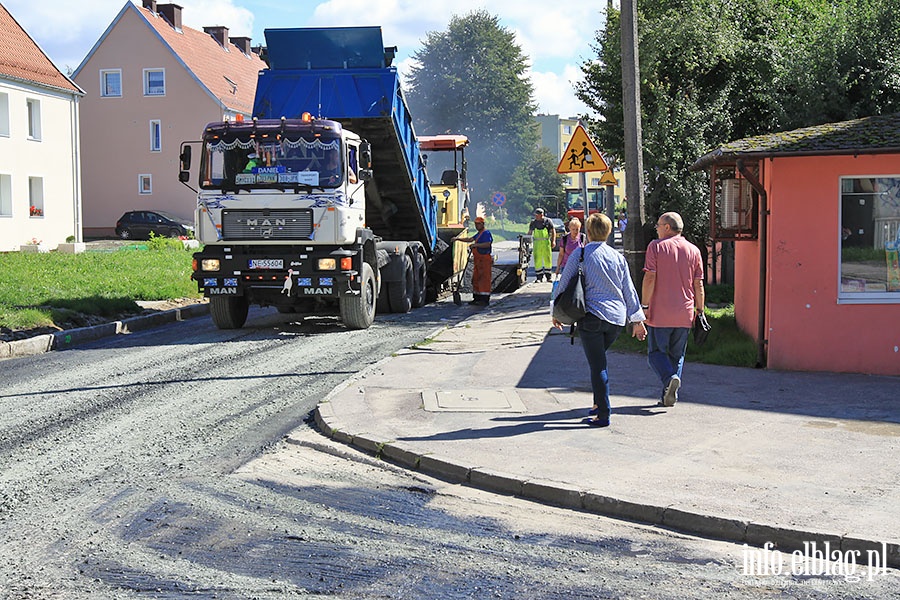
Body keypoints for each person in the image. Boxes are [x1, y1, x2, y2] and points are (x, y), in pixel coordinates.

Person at [552, 213, 647, 428]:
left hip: (591, 318)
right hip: (615, 320)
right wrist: (637, 320)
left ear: (588, 231)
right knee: (598, 361)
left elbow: (565, 284)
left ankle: (603, 414)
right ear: (608, 231)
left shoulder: (580, 254)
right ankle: (597, 404)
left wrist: (556, 313)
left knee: (598, 367)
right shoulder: (617, 257)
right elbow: (629, 290)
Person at [641, 211, 705, 408]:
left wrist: (644, 306)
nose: (657, 229)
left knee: (655, 354)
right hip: (684, 312)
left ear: (667, 227)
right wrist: (700, 311)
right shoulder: (694, 250)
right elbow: (699, 284)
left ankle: (669, 379)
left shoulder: (656, 247)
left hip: (660, 312)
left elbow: (650, 277)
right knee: (677, 355)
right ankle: (667, 393)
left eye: (659, 225)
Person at [455, 216, 493, 306]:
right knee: (475, 279)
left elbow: (488, 244)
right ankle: (477, 298)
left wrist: (476, 245)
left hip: (484, 260)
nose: (476, 226)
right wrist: (457, 239)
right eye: (475, 224)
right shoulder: (479, 234)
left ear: (482, 224)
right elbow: (470, 239)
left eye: (478, 224)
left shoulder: (486, 233)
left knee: (484, 279)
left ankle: (484, 299)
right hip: (478, 261)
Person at [528, 208, 556, 282]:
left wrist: (553, 241)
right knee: (537, 260)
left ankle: (548, 277)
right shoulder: (533, 223)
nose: (536, 216)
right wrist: (527, 240)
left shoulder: (548, 221)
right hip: (537, 244)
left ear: (542, 215)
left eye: (537, 215)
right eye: (535, 215)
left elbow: (553, 231)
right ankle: (539, 277)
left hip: (546, 243)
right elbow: (530, 232)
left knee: (547, 259)